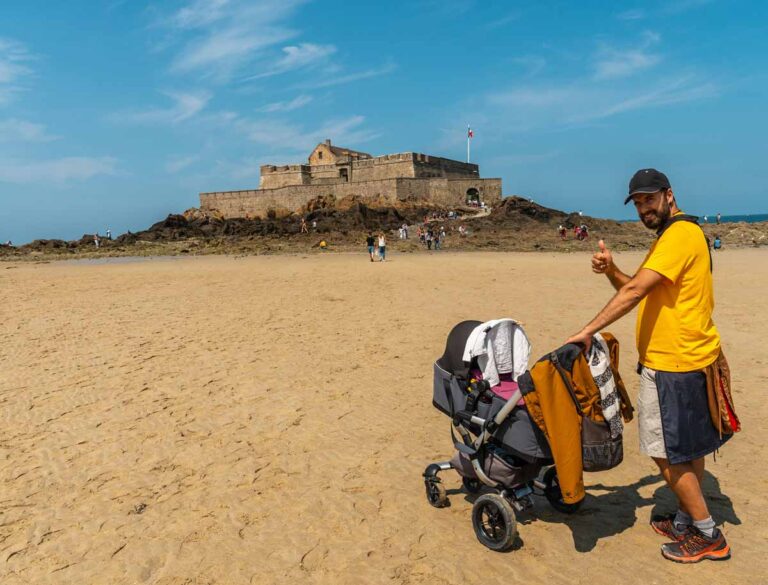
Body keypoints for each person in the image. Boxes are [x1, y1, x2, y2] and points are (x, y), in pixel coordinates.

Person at [565, 168, 733, 563]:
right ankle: (686, 518)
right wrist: (611, 271)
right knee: (688, 449)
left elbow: (637, 290)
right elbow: (637, 287)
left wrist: (588, 329)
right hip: (693, 356)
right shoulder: (679, 235)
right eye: (637, 202)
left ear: (669, 195)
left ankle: (708, 534)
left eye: (649, 199)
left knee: (664, 451)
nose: (644, 208)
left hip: (673, 364)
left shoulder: (678, 236)